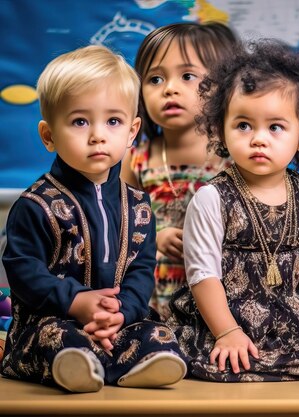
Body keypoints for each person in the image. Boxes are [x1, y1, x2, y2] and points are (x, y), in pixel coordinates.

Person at [166, 39, 299, 382]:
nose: (259, 139)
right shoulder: (211, 198)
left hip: (290, 325)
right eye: (243, 125)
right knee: (227, 367)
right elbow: (203, 275)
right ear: (220, 131)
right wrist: (227, 332)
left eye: (275, 127)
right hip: (224, 322)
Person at [1, 45, 186, 392]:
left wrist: (121, 313)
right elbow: (24, 270)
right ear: (49, 136)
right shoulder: (36, 204)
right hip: (52, 321)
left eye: (113, 121)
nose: (98, 134)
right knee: (58, 337)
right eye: (80, 121)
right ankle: (79, 367)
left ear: (131, 132)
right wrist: (76, 301)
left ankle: (134, 366)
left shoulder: (139, 207)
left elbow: (141, 272)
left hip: (115, 324)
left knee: (158, 333)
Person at [121, 22, 240, 320]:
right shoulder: (137, 159)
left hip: (221, 295)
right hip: (154, 293)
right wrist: (155, 237)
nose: (169, 88)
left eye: (187, 76)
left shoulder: (235, 157)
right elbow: (118, 224)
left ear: (222, 87)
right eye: (155, 79)